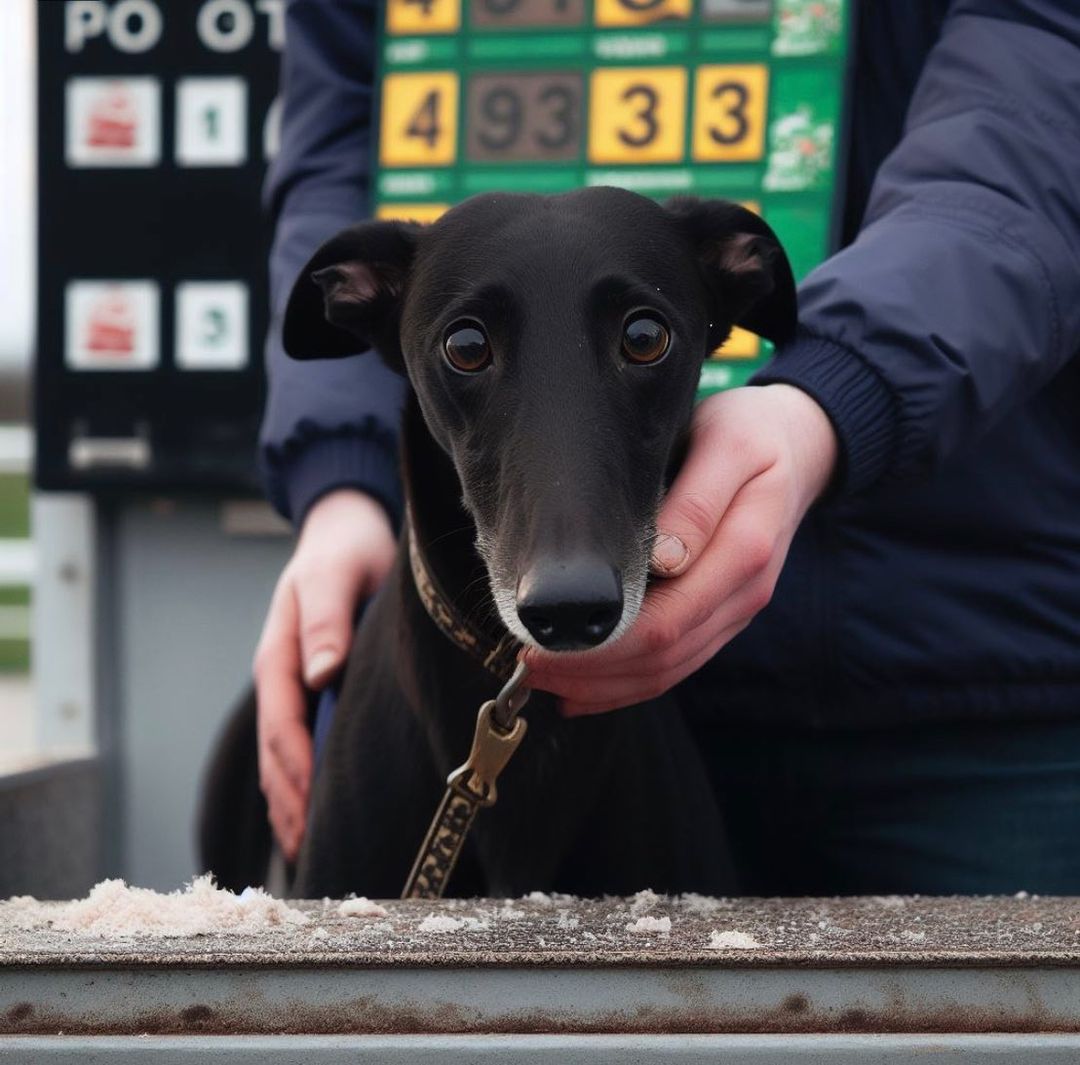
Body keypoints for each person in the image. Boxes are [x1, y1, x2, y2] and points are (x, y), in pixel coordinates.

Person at [255, 0, 1080, 892]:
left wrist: (830, 392)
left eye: (645, 339)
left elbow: (1035, 104)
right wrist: (343, 485)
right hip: (473, 683)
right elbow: (342, 128)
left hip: (959, 678)